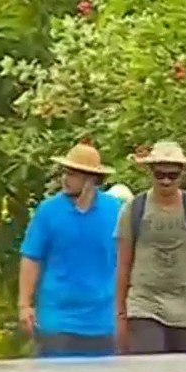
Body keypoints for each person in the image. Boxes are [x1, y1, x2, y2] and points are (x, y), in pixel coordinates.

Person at [115, 141, 186, 354]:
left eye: (172, 175)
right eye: (160, 174)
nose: (166, 180)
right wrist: (120, 312)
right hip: (144, 304)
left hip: (185, 307)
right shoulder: (134, 209)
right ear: (151, 173)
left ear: (182, 175)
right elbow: (123, 263)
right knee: (150, 367)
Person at [18, 141, 124, 358]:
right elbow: (31, 258)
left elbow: (126, 259)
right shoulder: (48, 210)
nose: (65, 179)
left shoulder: (115, 210)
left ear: (91, 178)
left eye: (73, 174)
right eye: (65, 172)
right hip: (57, 319)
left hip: (102, 319)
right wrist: (24, 305)